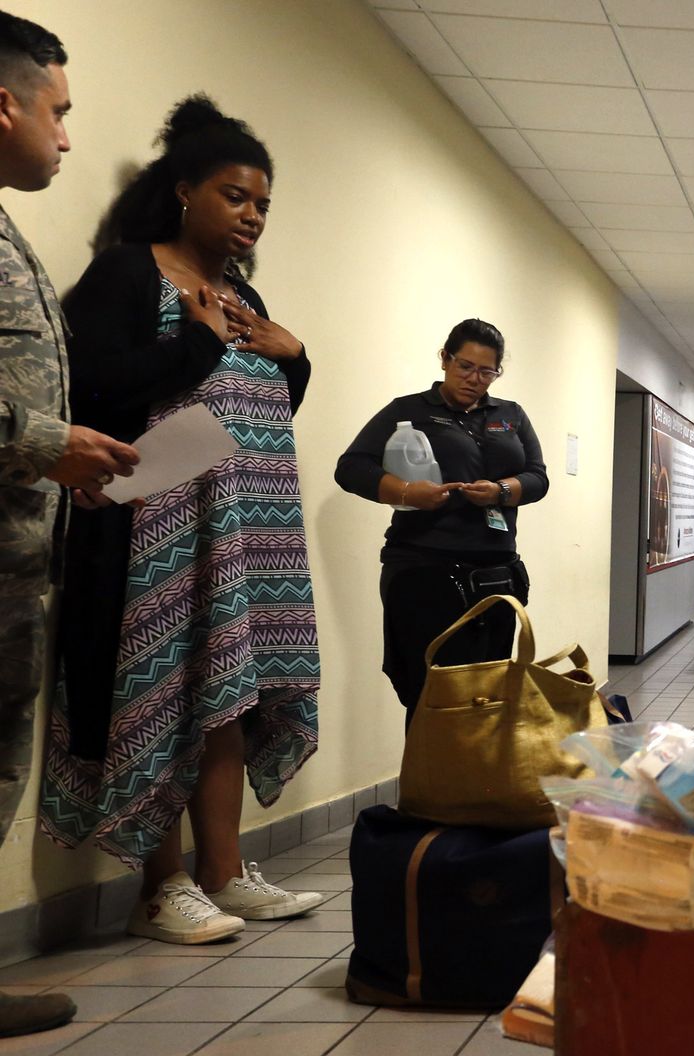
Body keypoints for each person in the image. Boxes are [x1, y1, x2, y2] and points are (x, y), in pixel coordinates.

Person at [40, 96, 322, 945]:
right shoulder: (129, 273)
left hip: (236, 536)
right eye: (236, 196)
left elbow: (253, 410)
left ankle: (224, 873)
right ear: (184, 191)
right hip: (146, 537)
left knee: (226, 699)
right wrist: (198, 343)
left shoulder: (241, 295)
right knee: (165, 697)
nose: (252, 215)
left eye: (263, 203)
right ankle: (162, 888)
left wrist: (294, 356)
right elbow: (90, 391)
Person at [0, 9, 135, 1037]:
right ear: (5, 102)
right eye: (61, 110)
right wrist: (46, 441)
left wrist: (65, 461)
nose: (68, 136)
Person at [335, 319, 548, 725]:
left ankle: (478, 784)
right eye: (465, 367)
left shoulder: (511, 415)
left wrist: (502, 491)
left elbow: (538, 477)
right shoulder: (409, 411)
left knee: (489, 691)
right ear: (445, 359)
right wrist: (404, 492)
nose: (475, 379)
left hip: (497, 571)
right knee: (432, 692)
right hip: (424, 571)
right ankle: (429, 784)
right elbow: (350, 467)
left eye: (487, 372)